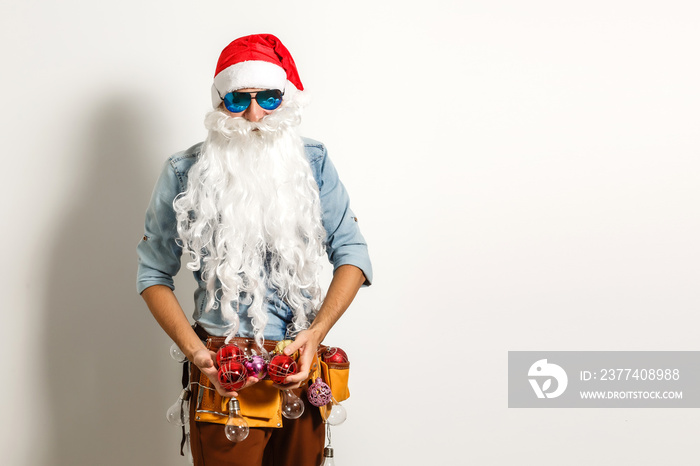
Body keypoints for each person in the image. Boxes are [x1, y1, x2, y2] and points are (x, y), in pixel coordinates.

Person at [136, 34, 372, 466]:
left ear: (285, 100)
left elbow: (353, 253)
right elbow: (153, 274)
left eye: (268, 97)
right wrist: (197, 354)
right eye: (238, 100)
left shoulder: (313, 162)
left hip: (299, 366)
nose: (255, 113)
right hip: (224, 371)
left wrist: (315, 334)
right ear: (219, 103)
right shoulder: (183, 171)